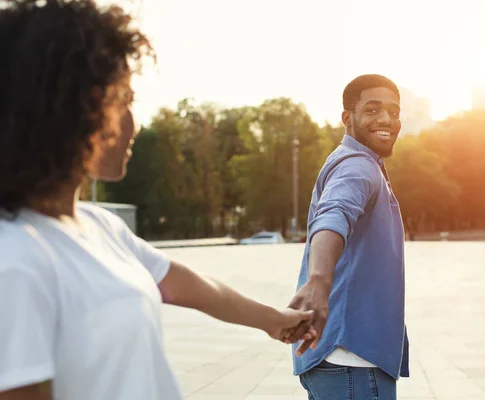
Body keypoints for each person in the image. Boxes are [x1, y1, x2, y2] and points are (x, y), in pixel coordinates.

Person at [0, 1, 316, 399]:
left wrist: (275, 321)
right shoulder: (15, 260)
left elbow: (197, 289)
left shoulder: (99, 226)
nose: (134, 123)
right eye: (124, 100)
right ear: (71, 108)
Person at [285, 74, 410, 399]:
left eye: (394, 112)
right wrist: (319, 282)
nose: (387, 119)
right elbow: (333, 216)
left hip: (339, 362)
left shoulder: (355, 162)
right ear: (347, 118)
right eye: (372, 110)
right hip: (351, 363)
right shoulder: (358, 167)